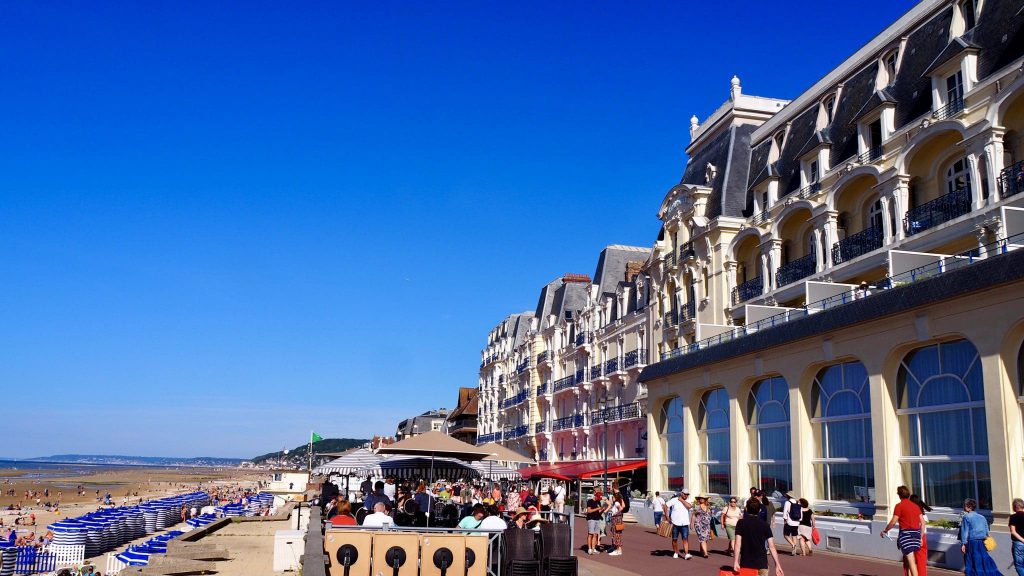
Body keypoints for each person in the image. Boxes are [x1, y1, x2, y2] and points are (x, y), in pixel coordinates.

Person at [734, 498, 785, 576]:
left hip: (746, 563)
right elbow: (772, 546)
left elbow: (737, 544)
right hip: (762, 563)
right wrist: (777, 565)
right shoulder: (765, 525)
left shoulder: (741, 523)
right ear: (759, 510)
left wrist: (735, 561)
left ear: (746, 509)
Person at [880, 485, 922, 576]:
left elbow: (893, 521)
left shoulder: (899, 506)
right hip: (916, 535)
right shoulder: (915, 506)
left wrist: (885, 530)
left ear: (899, 495)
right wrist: (921, 537)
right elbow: (922, 522)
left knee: (911, 561)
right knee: (909, 560)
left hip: (906, 535)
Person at [959, 498, 1001, 576]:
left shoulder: (966, 517)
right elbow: (986, 531)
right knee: (983, 560)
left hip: (972, 542)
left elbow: (965, 531)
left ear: (969, 506)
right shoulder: (982, 517)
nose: (963, 507)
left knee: (972, 561)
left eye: (964, 505)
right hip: (982, 542)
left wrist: (963, 543)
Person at [906, 495, 931, 576]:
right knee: (921, 561)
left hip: (913, 536)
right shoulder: (923, 515)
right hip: (922, 537)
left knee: (909, 561)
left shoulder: (912, 514)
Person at [665, 488, 693, 559]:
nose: (686, 496)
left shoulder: (688, 501)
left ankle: (686, 554)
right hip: (675, 523)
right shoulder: (674, 500)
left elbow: (689, 506)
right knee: (674, 539)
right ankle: (676, 552)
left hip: (684, 523)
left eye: (687, 494)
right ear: (681, 493)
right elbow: (665, 506)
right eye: (685, 494)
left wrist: (682, 500)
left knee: (685, 539)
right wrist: (667, 516)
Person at [585, 491, 606, 555]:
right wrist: (597, 508)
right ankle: (589, 549)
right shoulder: (590, 501)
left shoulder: (598, 502)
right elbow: (589, 511)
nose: (599, 500)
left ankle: (593, 549)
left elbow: (599, 512)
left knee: (595, 535)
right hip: (591, 519)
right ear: (596, 496)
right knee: (590, 534)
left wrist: (602, 510)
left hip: (597, 519)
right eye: (598, 498)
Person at [1009, 497, 1024, 576]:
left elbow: (1013, 531)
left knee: (1019, 565)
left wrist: (1022, 540)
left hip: (1019, 544)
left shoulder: (1013, 517)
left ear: (1015, 507)